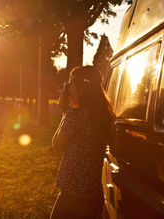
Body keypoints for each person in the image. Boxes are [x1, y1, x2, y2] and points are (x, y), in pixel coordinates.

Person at [50, 66, 115, 219]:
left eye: (70, 84)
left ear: (83, 87)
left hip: (71, 197)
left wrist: (64, 111)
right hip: (93, 196)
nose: (67, 87)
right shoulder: (105, 116)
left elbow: (57, 146)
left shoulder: (76, 116)